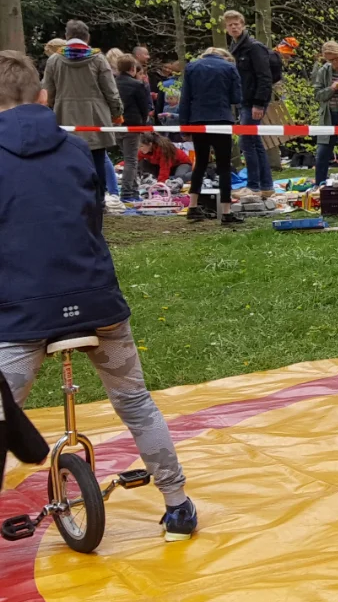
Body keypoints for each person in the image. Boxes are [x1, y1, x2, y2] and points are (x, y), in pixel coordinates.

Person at [0, 51, 199, 541]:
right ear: (44, 95)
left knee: (4, 416)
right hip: (96, 302)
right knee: (134, 399)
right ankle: (178, 504)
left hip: (24, 313)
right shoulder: (75, 149)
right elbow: (90, 217)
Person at [42, 27, 120, 197]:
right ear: (88, 37)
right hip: (95, 117)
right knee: (98, 159)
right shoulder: (98, 59)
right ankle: (99, 199)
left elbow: (47, 91)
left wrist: (48, 111)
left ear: (67, 36)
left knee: (66, 158)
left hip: (64, 116)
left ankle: (69, 197)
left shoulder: (54, 60)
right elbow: (110, 90)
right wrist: (117, 113)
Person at [180, 46, 243, 225]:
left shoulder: (191, 67)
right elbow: (236, 97)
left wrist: (185, 128)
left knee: (200, 163)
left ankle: (192, 206)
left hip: (197, 120)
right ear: (223, 56)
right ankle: (226, 211)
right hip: (221, 119)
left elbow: (185, 98)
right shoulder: (229, 68)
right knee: (224, 166)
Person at [224, 10, 275, 201]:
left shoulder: (253, 47)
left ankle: (254, 185)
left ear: (243, 24)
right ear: (226, 28)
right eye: (230, 25)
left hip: (253, 101)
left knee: (247, 141)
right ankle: (265, 185)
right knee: (254, 142)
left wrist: (259, 103)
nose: (234, 27)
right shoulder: (234, 47)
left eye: (236, 23)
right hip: (243, 100)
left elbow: (264, 77)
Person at [113, 53, 152, 203]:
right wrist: (143, 121)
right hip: (132, 125)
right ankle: (127, 192)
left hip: (116, 125)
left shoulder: (113, 83)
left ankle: (134, 190)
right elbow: (144, 107)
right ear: (132, 68)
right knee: (131, 160)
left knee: (128, 158)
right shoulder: (137, 85)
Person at [312, 42, 338, 184]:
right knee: (322, 154)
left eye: (336, 59)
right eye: (330, 60)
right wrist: (332, 88)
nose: (334, 63)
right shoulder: (324, 71)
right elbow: (317, 95)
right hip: (328, 116)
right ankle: (320, 185)